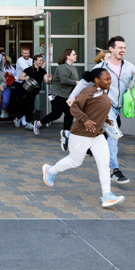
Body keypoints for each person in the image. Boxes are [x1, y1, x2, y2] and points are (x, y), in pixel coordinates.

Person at [41, 68, 125, 208]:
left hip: (97, 135)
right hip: (81, 134)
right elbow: (74, 107)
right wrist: (85, 119)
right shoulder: (88, 92)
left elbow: (96, 110)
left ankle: (107, 195)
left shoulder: (102, 92)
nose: (110, 81)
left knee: (104, 164)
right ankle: (50, 171)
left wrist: (106, 121)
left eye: (110, 79)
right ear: (97, 80)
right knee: (75, 161)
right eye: (106, 79)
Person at [96, 36, 135, 185]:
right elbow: (86, 82)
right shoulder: (101, 67)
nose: (123, 50)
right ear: (111, 49)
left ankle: (69, 136)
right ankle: (114, 170)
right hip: (104, 105)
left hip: (118, 107)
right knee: (113, 136)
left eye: (124, 48)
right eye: (120, 48)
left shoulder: (129, 66)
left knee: (92, 138)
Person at [34, 48, 79, 143]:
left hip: (68, 96)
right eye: (73, 54)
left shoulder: (73, 68)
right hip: (58, 94)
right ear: (67, 56)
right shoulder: (62, 67)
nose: (76, 56)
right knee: (57, 113)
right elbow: (64, 80)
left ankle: (66, 133)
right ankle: (38, 123)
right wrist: (77, 82)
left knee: (69, 114)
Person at [16, 54, 52, 129]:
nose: (41, 62)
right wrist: (25, 78)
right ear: (35, 61)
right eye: (39, 60)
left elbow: (46, 81)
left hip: (34, 91)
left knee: (30, 105)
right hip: (25, 90)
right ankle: (19, 118)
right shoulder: (28, 69)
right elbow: (20, 78)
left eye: (42, 60)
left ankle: (27, 121)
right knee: (25, 105)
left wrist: (49, 80)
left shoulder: (42, 71)